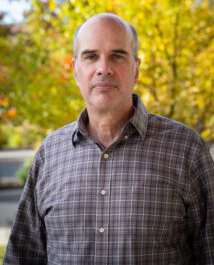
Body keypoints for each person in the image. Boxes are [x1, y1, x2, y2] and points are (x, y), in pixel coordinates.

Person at [4, 13, 214, 264]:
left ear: (136, 69)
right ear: (75, 71)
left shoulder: (186, 150)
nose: (104, 68)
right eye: (91, 57)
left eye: (117, 56)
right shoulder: (49, 154)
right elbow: (22, 257)